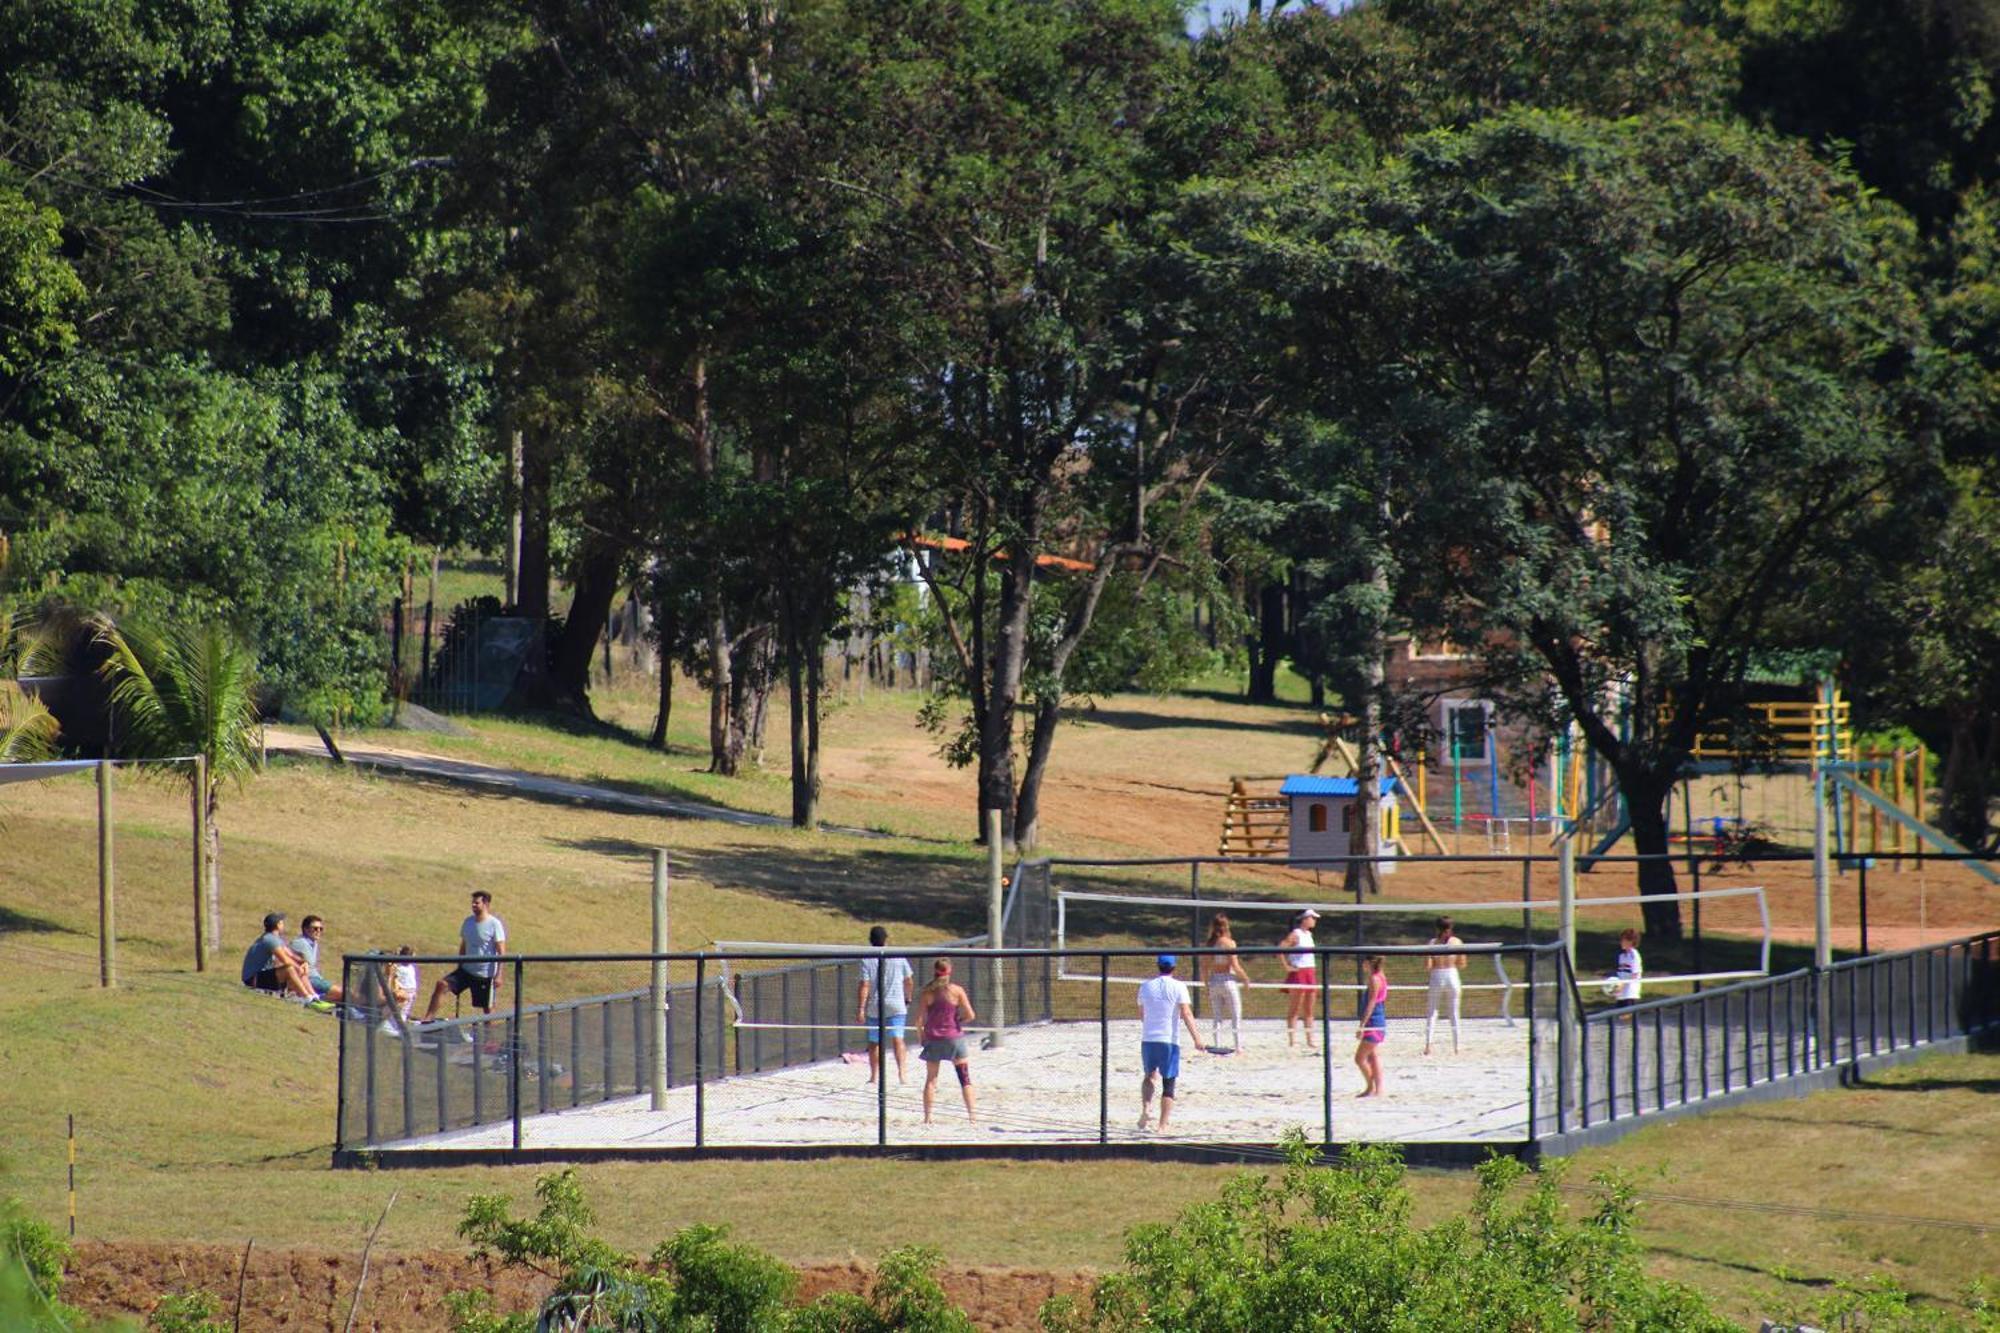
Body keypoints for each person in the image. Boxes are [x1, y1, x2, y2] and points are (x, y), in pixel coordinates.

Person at [1137, 955, 1205, 1133]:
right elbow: (1186, 1014)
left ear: (1158, 966)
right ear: (1174, 967)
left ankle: (1146, 1108)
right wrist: (1197, 1039)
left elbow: (1142, 1014)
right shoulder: (1179, 987)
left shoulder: (1145, 986)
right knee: (1169, 1084)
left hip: (1149, 1038)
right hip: (1169, 1040)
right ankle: (1162, 1125)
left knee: (1149, 1076)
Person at [420, 891, 508, 1024]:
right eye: (472, 902)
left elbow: (501, 951)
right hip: (465, 970)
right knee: (442, 985)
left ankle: (491, 1040)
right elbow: (464, 945)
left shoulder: (494, 924)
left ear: (486, 904)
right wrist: (460, 964)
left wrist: (499, 975)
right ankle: (427, 1019)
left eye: (477, 903)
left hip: (484, 974)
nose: (473, 905)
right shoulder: (468, 922)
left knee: (488, 1009)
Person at [917, 960, 976, 1124]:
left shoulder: (927, 992)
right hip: (954, 1037)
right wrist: (959, 1020)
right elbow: (971, 1015)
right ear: (949, 972)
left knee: (931, 1080)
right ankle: (972, 1116)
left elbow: (919, 1020)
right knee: (964, 1078)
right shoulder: (957, 991)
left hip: (933, 1038)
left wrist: (921, 1037)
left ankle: (928, 1117)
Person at [856, 925, 913, 1085]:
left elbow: (864, 985)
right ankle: (902, 1074)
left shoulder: (867, 959)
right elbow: (908, 980)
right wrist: (908, 997)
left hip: (875, 1006)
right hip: (896, 1003)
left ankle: (874, 1076)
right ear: (886, 939)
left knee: (874, 1042)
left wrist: (861, 1008)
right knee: (898, 1039)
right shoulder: (898, 956)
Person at [240, 912, 332, 1011]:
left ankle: (314, 997)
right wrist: (299, 967)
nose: (284, 925)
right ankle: (308, 999)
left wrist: (303, 962)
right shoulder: (269, 939)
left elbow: (291, 954)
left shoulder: (275, 939)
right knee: (289, 968)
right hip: (253, 979)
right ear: (278, 925)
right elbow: (285, 959)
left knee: (297, 967)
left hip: (262, 976)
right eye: (282, 923)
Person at [1201, 915, 1249, 1052]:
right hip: (1228, 979)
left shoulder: (1210, 944)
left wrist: (1206, 984)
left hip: (1214, 980)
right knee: (1235, 1014)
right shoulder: (1229, 943)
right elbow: (1235, 965)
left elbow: (1203, 966)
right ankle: (1238, 1046)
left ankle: (1217, 1044)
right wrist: (1245, 978)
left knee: (1217, 1016)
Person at [1423, 915, 1466, 1055]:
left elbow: (1427, 966)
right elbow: (1462, 964)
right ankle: (1457, 1047)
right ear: (1451, 927)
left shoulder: (1432, 943)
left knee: (1432, 1012)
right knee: (1454, 1013)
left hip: (1437, 976)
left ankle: (1428, 1045)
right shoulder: (1458, 942)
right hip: (1452, 975)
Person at [1279, 908, 1320, 1048]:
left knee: (1309, 1009)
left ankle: (1310, 1039)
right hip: (1298, 972)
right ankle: (1292, 1039)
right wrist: (1287, 966)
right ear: (1304, 919)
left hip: (1310, 971)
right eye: (1312, 918)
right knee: (1295, 1008)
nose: (1314, 921)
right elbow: (1281, 948)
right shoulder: (1295, 934)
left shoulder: (1309, 934)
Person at [289, 914, 346, 1004]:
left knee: (343, 995)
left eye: (321, 929)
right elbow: (306, 964)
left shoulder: (314, 943)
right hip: (308, 980)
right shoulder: (299, 943)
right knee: (344, 993)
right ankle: (313, 1000)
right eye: (315, 928)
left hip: (316, 979)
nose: (318, 931)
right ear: (305, 929)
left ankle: (315, 999)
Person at [1355, 955, 1388, 1097]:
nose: (1362, 964)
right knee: (1373, 1056)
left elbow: (1372, 1002)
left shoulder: (1375, 978)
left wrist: (1362, 1025)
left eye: (1364, 961)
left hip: (1374, 1022)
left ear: (1369, 963)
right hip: (1377, 1020)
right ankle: (1377, 1089)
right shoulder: (1381, 975)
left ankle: (1371, 1086)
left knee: (1359, 1058)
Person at [382, 945, 419, 1035]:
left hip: (406, 992)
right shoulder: (405, 967)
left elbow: (412, 979)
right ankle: (393, 1028)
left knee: (401, 1012)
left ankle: (395, 1029)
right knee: (399, 1011)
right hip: (404, 992)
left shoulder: (406, 967)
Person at [1611, 928, 1643, 1007]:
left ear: (1631, 942)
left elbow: (1635, 974)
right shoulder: (1622, 956)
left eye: (1624, 940)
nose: (1621, 942)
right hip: (1621, 994)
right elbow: (1620, 973)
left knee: (1628, 1017)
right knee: (1619, 1016)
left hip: (1630, 993)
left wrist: (1622, 986)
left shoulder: (1634, 955)